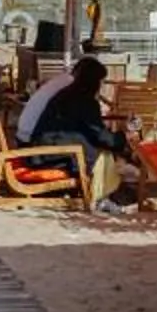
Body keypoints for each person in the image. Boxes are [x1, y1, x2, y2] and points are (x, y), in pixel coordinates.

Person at [23, 56, 129, 209]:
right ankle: (100, 194)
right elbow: (101, 136)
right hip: (51, 157)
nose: (102, 85)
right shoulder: (85, 101)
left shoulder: (66, 94)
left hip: (41, 152)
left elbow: (92, 131)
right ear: (94, 81)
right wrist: (122, 138)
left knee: (100, 149)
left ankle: (104, 192)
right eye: (101, 81)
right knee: (104, 154)